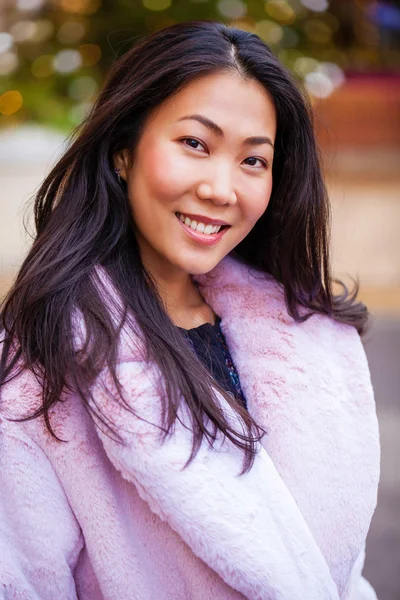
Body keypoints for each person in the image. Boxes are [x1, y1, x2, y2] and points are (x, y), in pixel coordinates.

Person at [0, 20, 380, 600]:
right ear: (124, 152)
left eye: (253, 161)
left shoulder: (312, 340)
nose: (222, 188)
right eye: (195, 144)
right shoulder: (42, 362)